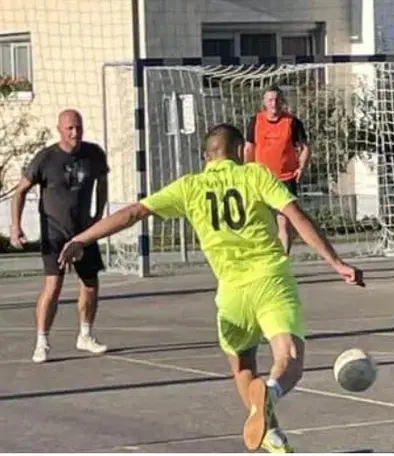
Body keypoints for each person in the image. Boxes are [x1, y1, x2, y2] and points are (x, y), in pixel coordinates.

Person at [57, 124, 364, 453]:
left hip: (231, 293)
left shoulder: (190, 187)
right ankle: (271, 394)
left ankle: (271, 434)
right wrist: (336, 263)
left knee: (244, 367)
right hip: (270, 281)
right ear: (239, 151)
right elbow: (296, 217)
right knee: (289, 358)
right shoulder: (255, 175)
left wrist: (81, 239)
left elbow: (133, 213)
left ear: (206, 157)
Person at [9, 109, 110, 363]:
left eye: (78, 127)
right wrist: (15, 227)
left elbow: (102, 181)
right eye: (70, 128)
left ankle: (85, 335)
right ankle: (42, 341)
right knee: (53, 286)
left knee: (90, 283)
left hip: (84, 232)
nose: (75, 132)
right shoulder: (46, 159)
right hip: (55, 232)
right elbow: (19, 192)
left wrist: (98, 214)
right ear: (60, 130)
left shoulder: (94, 154)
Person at [244, 85, 311, 254]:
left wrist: (301, 167)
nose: (274, 103)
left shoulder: (292, 122)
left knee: (284, 221)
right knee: (260, 220)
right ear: (264, 103)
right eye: (270, 100)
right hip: (260, 178)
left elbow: (304, 148)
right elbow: (249, 148)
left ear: (282, 102)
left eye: (277, 100)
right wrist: (246, 170)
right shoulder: (256, 121)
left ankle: (283, 259)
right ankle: (262, 255)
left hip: (285, 178)